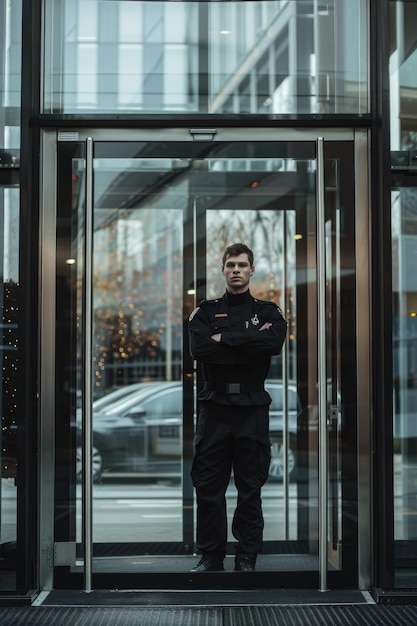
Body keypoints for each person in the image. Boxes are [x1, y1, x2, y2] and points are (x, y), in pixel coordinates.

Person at [188, 243, 287, 572]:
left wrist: (224, 338)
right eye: (230, 264)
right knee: (208, 489)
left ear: (251, 270)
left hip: (251, 410)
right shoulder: (203, 312)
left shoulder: (269, 313)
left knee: (250, 490)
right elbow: (200, 349)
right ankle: (211, 556)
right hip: (214, 409)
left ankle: (247, 556)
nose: (236, 270)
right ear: (222, 270)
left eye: (242, 265)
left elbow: (272, 343)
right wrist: (247, 341)